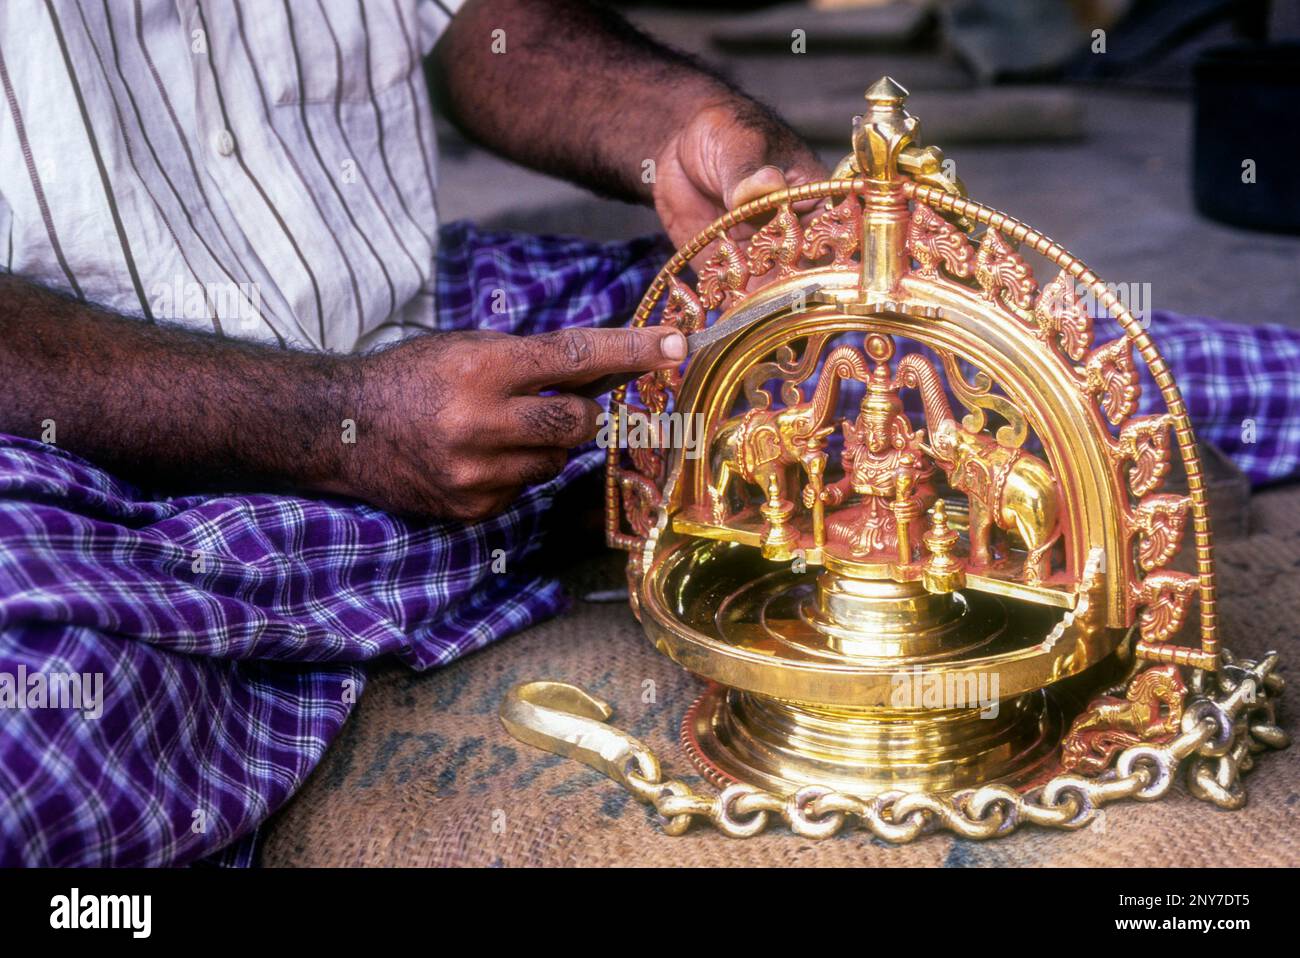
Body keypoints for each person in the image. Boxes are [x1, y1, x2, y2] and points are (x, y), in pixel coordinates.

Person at [0, 1, 1296, 866]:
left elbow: (482, 25)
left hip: (425, 328)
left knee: (1021, 351)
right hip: (78, 438)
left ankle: (438, 566)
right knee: (40, 728)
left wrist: (682, 125)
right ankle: (463, 554)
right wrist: (341, 429)